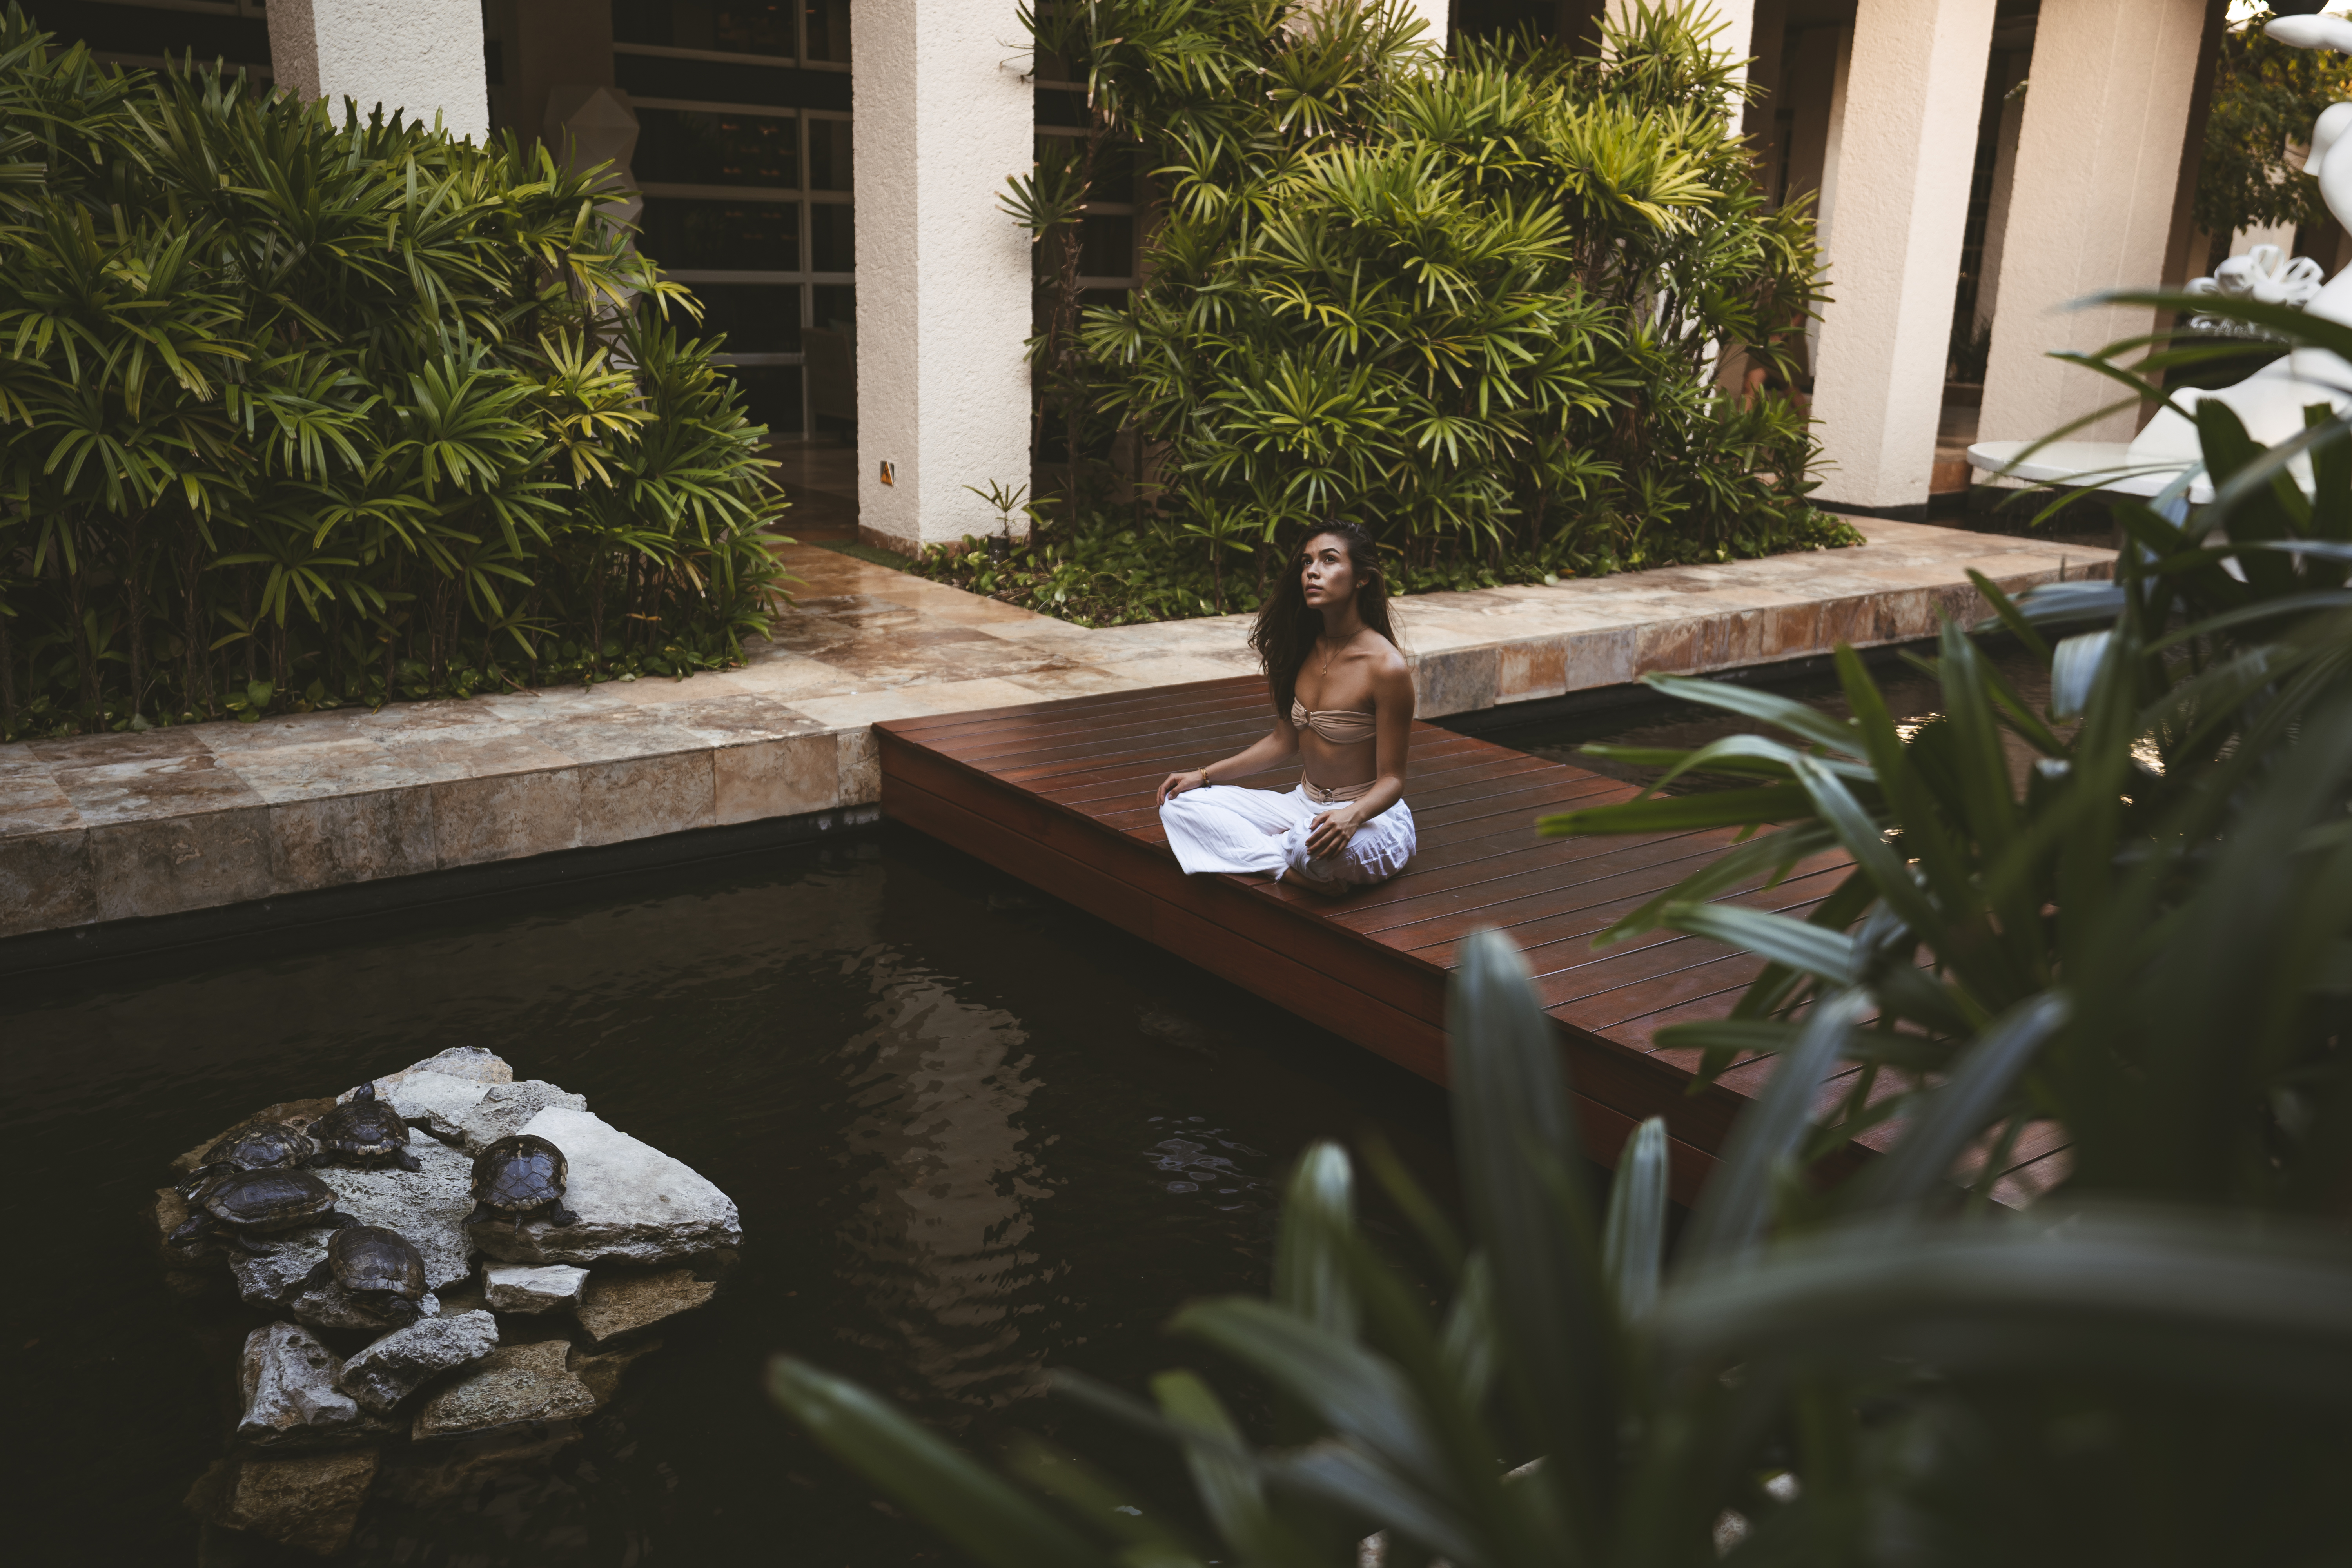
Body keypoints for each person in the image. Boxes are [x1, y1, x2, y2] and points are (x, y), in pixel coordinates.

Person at [1156, 520, 1417, 891]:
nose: (1312, 571)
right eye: (1307, 562)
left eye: (1329, 560)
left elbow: (1393, 780)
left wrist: (1350, 817)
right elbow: (1284, 741)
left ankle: (1273, 854)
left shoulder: (1385, 668)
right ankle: (1285, 870)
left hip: (1370, 815)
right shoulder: (1301, 649)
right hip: (1302, 803)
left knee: (1310, 851)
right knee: (1179, 804)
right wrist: (1204, 775)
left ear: (1362, 578)